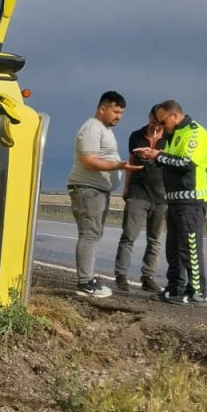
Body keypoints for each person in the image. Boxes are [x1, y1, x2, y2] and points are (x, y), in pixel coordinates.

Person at [134, 100, 207, 307]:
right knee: (173, 248)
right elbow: (170, 160)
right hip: (175, 200)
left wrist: (158, 155)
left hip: (192, 200)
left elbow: (186, 163)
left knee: (191, 248)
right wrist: (152, 157)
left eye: (162, 121)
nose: (160, 126)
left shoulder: (195, 133)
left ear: (174, 116)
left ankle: (197, 293)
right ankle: (175, 288)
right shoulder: (173, 135)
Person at [67, 91, 141, 298]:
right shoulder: (92, 128)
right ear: (103, 108)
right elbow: (88, 161)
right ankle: (84, 282)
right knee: (89, 234)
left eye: (122, 113)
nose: (119, 116)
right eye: (116, 111)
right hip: (87, 189)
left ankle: (88, 277)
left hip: (98, 190)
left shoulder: (104, 129)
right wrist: (118, 165)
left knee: (94, 234)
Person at [113, 106, 167, 292]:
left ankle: (148, 277)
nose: (156, 126)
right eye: (154, 122)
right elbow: (130, 162)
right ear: (149, 118)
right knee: (129, 236)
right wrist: (126, 188)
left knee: (155, 239)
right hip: (138, 193)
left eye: (160, 123)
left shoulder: (170, 139)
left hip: (161, 196)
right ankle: (121, 275)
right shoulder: (135, 136)